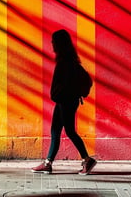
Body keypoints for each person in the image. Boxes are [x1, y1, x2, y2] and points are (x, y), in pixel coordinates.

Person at [31, 29, 96, 175]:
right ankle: (48, 163)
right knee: (55, 130)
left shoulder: (65, 62)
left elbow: (65, 83)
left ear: (60, 43)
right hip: (64, 101)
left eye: (54, 41)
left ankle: (87, 159)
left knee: (70, 131)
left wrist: (58, 95)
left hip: (66, 101)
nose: (52, 44)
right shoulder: (68, 60)